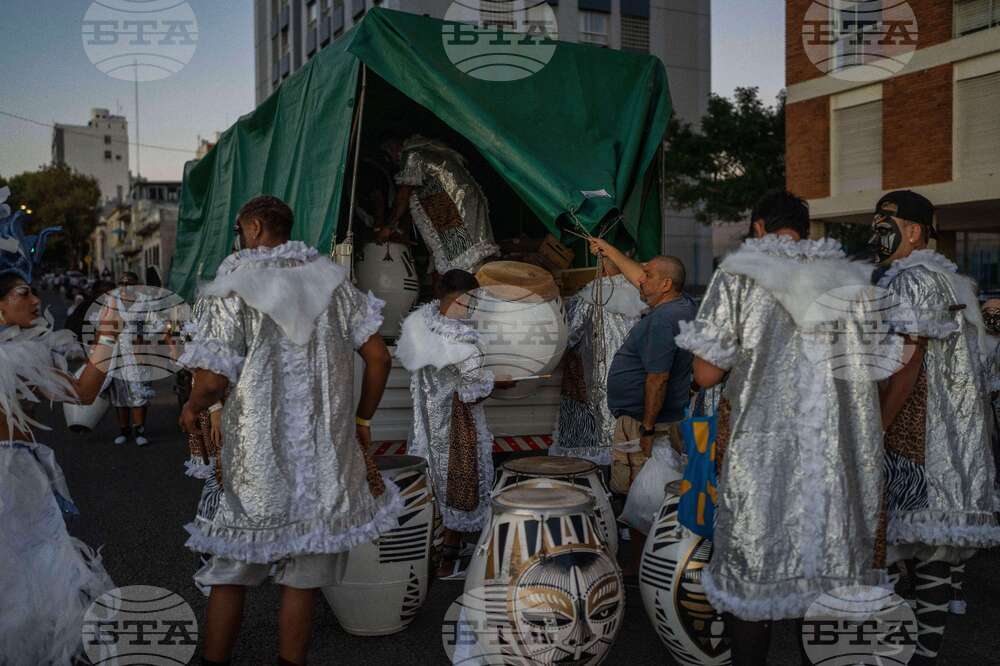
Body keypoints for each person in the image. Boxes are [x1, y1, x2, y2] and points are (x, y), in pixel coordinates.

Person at [178, 195, 402, 666]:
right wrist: (362, 420)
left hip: (258, 462)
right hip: (325, 461)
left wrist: (193, 406)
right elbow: (379, 358)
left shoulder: (235, 283)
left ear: (255, 227)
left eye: (240, 229)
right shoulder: (332, 281)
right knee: (303, 578)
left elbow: (213, 378)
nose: (239, 238)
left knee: (232, 569)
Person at [675, 190, 885, 665]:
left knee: (755, 571)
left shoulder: (741, 274)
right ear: (805, 232)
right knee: (829, 572)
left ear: (759, 228)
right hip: (837, 455)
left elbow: (707, 373)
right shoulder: (849, 280)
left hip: (763, 452)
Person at [870, 190, 1000, 665]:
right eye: (875, 220)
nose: (877, 230)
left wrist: (879, 425)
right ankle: (923, 648)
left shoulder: (913, 280)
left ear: (916, 230)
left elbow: (908, 361)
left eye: (888, 220)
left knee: (907, 544)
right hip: (951, 433)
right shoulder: (953, 282)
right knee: (932, 550)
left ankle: (913, 650)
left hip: (918, 431)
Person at [0, 197, 117, 664]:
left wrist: (104, 339)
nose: (34, 300)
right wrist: (107, 338)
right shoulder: (18, 359)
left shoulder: (23, 354)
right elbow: (84, 393)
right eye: (22, 294)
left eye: (32, 291)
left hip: (19, 474)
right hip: (14, 478)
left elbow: (82, 392)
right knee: (34, 574)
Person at [396, 269, 517, 577]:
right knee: (460, 481)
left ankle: (431, 551)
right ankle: (449, 558)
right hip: (455, 426)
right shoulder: (462, 337)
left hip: (426, 421)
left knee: (433, 483)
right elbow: (473, 389)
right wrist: (499, 382)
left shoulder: (420, 325)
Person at [588, 238, 695, 576]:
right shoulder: (680, 304)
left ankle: (639, 568)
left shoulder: (664, 319)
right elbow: (640, 275)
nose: (640, 278)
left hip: (647, 422)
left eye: (647, 274)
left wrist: (647, 428)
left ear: (665, 284)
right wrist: (610, 249)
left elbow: (657, 379)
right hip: (656, 418)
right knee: (646, 493)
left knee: (641, 496)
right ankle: (648, 563)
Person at [549, 255, 645, 465]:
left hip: (591, 378)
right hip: (631, 381)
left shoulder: (588, 295)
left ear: (601, 269)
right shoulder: (645, 297)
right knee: (628, 443)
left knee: (591, 440)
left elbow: (568, 335)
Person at [378, 132, 499, 275]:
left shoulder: (411, 155)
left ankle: (466, 289)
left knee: (461, 261)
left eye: (388, 156)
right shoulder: (429, 151)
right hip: (466, 202)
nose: (392, 162)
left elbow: (403, 196)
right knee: (474, 253)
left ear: (392, 149)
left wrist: (387, 227)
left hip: (452, 204)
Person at [104, 271, 155, 446]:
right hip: (117, 352)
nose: (126, 287)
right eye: (122, 283)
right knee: (120, 393)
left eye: (130, 283)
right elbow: (100, 323)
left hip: (138, 350)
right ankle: (124, 431)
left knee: (139, 391)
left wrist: (143, 340)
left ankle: (139, 430)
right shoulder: (112, 301)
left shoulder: (144, 301)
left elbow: (156, 324)